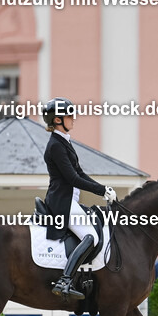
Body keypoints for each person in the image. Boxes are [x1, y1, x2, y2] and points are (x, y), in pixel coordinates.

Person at [41, 97, 117, 299]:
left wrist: (104, 189)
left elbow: (80, 173)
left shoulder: (64, 142)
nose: (73, 118)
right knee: (90, 237)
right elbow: (72, 178)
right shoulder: (56, 145)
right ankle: (65, 280)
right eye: (69, 116)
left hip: (70, 201)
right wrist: (100, 191)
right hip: (61, 203)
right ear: (58, 120)